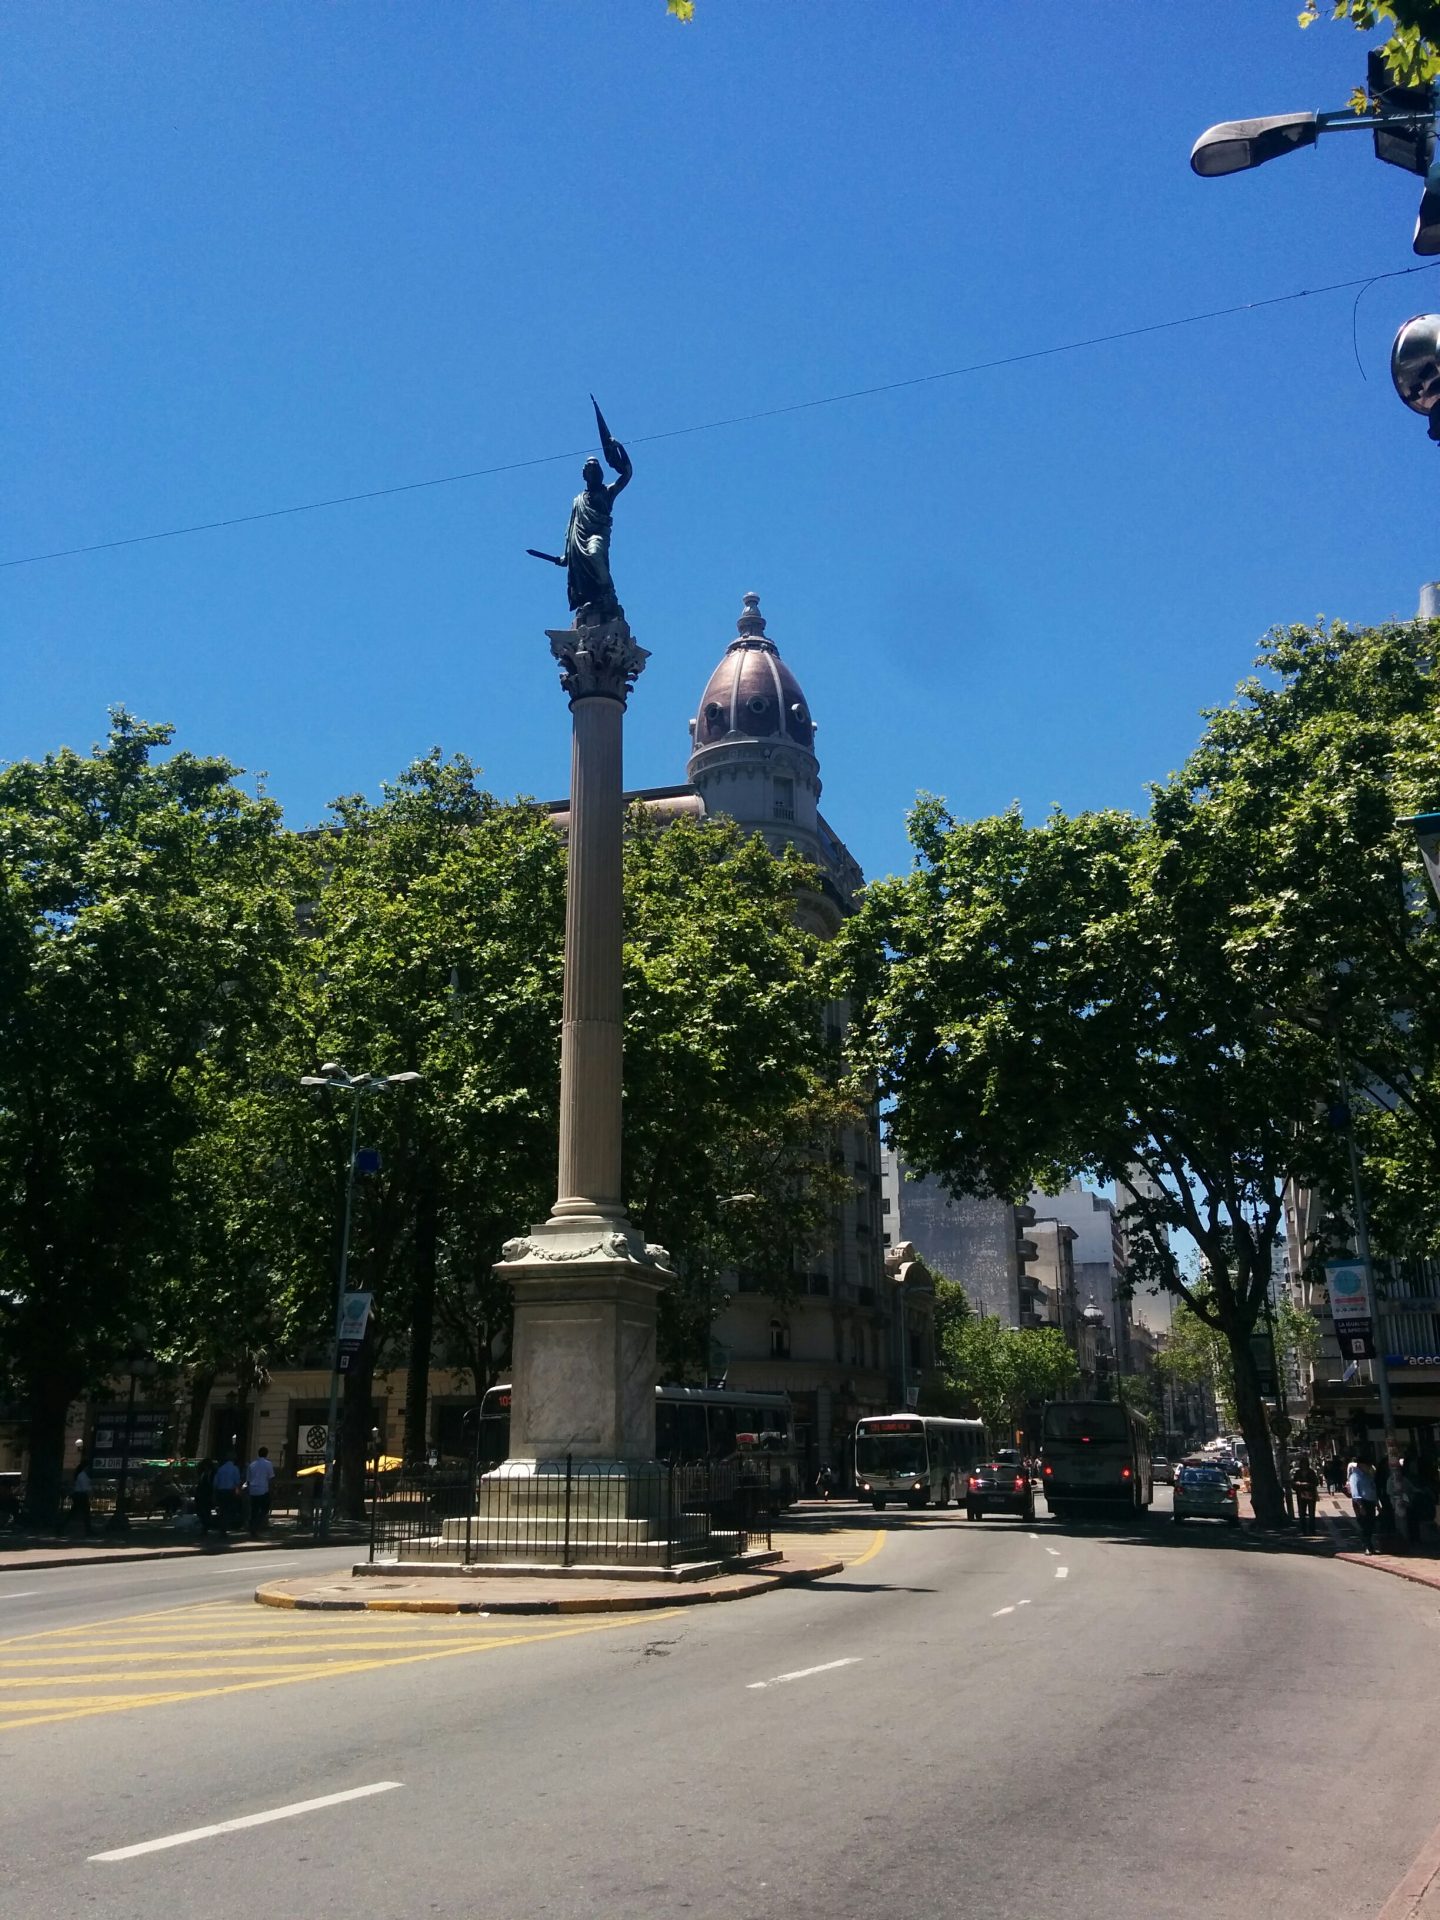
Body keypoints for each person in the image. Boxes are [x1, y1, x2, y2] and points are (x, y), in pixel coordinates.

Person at [1348, 1457, 1379, 1554]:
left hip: (1370, 1501)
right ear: (1361, 1465)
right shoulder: (1355, 1476)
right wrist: (1360, 1506)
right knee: (1364, 1524)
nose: (1369, 1467)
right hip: (1361, 1502)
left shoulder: (1368, 1475)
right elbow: (1355, 1492)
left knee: (1371, 1524)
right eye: (1367, 1465)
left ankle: (1370, 1545)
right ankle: (1367, 1546)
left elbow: (1372, 1489)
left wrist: (1377, 1503)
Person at [245, 1446, 276, 1536]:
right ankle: (256, 1525)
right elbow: (271, 1478)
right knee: (265, 1509)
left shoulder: (252, 1464)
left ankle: (252, 1525)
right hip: (263, 1490)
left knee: (254, 1510)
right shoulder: (268, 1464)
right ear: (266, 1454)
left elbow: (248, 1480)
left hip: (253, 1491)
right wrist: (272, 1490)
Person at [212, 1455, 242, 1538]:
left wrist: (215, 1493)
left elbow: (215, 1483)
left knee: (222, 1510)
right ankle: (225, 1527)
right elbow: (237, 1482)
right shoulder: (235, 1469)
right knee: (229, 1510)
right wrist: (238, 1492)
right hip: (230, 1491)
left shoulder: (220, 1469)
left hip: (221, 1491)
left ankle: (222, 1527)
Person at [1291, 1455, 1320, 1533]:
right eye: (1302, 1463)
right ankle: (1303, 1529)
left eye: (1305, 1463)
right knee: (1301, 1513)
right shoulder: (1298, 1472)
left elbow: (1316, 1482)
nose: (1303, 1465)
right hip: (1301, 1494)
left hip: (1310, 1494)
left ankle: (1312, 1530)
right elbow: (1293, 1484)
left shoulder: (1311, 1472)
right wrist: (1297, 1483)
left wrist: (1308, 1484)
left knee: (1311, 1513)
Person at [66, 1459, 94, 1538]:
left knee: (73, 1513)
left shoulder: (82, 1475)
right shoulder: (83, 1475)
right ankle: (88, 1531)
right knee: (86, 1514)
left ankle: (61, 1527)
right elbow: (85, 1488)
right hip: (81, 1496)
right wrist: (90, 1495)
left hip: (79, 1496)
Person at [194, 1457, 216, 1535]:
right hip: (201, 1495)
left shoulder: (212, 1473)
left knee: (206, 1511)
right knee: (201, 1511)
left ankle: (206, 1526)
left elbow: (213, 1485)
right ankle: (205, 1525)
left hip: (207, 1495)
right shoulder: (203, 1473)